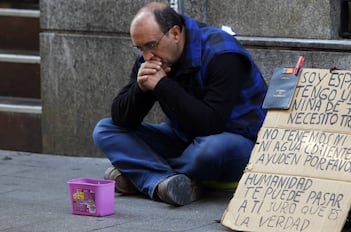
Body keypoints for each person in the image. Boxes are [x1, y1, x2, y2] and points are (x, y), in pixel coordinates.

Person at [92, 2, 268, 206]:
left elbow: (211, 123)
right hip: (182, 137)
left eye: (150, 45)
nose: (147, 56)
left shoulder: (222, 53)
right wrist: (140, 89)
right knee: (104, 130)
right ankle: (165, 182)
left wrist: (162, 85)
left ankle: (143, 177)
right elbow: (122, 120)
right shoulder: (150, 57)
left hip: (236, 143)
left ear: (175, 34)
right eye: (139, 48)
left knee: (210, 149)